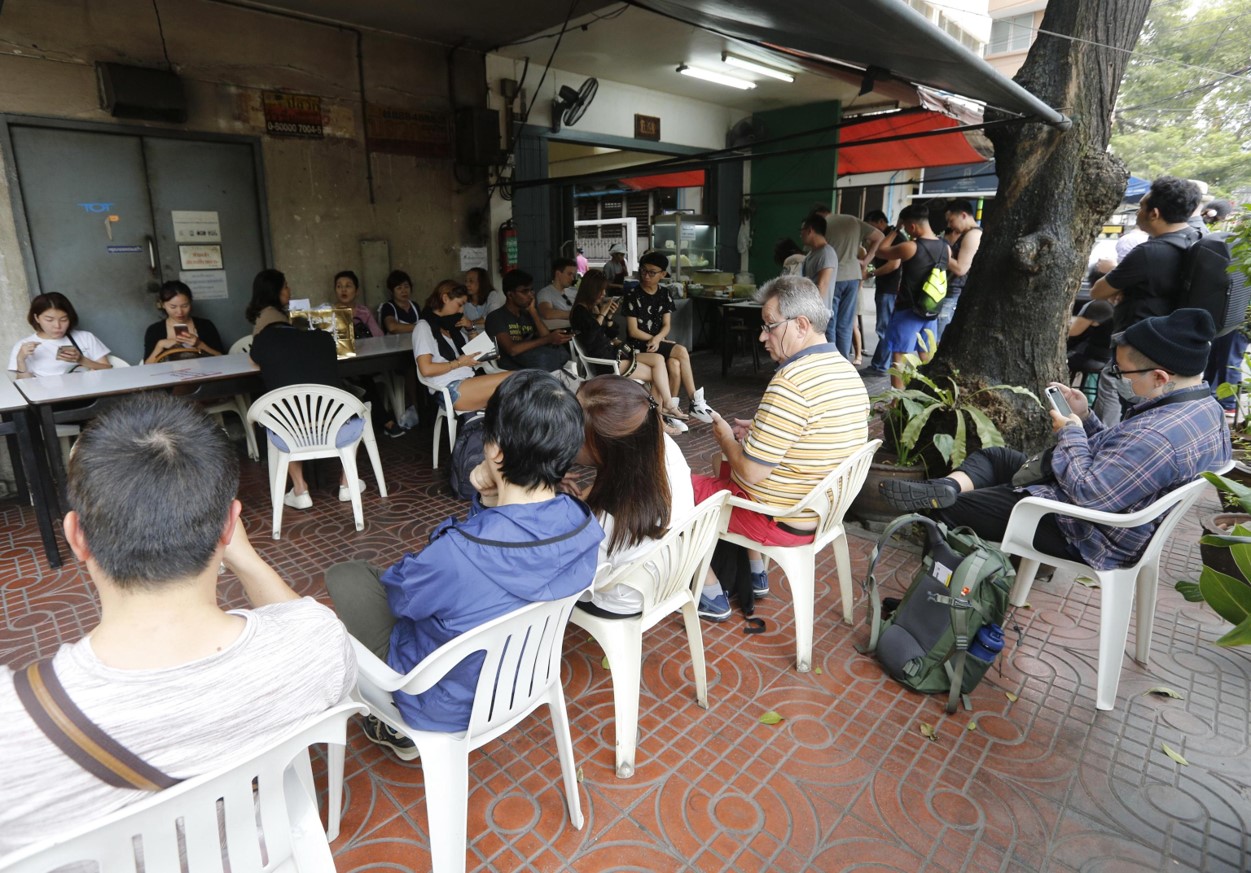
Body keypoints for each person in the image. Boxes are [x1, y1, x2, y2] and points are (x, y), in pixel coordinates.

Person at [0, 393, 356, 854]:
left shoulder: (14, 726)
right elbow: (297, 621)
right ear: (229, 528)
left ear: (77, 537)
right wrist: (242, 554)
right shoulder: (317, 645)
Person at [324, 370, 602, 757]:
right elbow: (506, 547)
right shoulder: (582, 526)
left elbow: (400, 599)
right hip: (523, 678)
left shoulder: (457, 553)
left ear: (496, 450)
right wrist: (488, 500)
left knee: (348, 576)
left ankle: (399, 731)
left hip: (440, 701)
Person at [881, 308, 1231, 570]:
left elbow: (1089, 495)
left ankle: (936, 613)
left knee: (950, 511)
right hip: (1108, 508)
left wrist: (1071, 432)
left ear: (1159, 376)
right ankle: (947, 486)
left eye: (1122, 373)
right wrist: (1086, 418)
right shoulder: (1203, 409)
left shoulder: (1160, 434)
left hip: (1087, 531)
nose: (1120, 379)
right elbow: (1125, 457)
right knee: (997, 457)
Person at [691, 275, 870, 620]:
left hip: (781, 520)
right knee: (720, 462)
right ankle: (755, 570)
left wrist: (727, 435)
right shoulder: (845, 370)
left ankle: (710, 592)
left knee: (668, 489)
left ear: (801, 325)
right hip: (820, 511)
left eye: (769, 326)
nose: (762, 336)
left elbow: (752, 473)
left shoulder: (791, 382)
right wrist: (758, 429)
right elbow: (814, 431)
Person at [571, 375, 695, 617]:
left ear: (603, 449)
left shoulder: (602, 519)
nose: (565, 433)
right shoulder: (660, 445)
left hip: (619, 600)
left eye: (575, 432)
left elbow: (573, 575)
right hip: (669, 576)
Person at [1090, 176, 1203, 423]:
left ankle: (1103, 441)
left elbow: (1098, 291)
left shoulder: (1148, 252)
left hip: (1138, 342)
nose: (1138, 212)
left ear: (1154, 213)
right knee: (1153, 403)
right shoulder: (1195, 239)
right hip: (1170, 339)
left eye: (1141, 207)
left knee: (1114, 388)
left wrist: (1118, 283)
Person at [250, 313, 369, 507]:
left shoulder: (263, 340)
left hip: (290, 431)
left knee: (281, 417)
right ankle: (347, 483)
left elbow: (253, 361)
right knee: (353, 408)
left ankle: (300, 489)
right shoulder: (323, 337)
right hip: (335, 425)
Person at [569, 270, 689, 433]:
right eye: (601, 290)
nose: (603, 294)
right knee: (658, 375)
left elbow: (610, 333)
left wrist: (609, 317)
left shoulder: (590, 310)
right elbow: (591, 339)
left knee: (658, 360)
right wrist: (602, 314)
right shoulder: (579, 312)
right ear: (591, 290)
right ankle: (660, 422)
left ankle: (663, 412)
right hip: (606, 362)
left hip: (613, 354)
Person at [624, 251, 713, 423]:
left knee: (675, 363)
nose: (646, 275)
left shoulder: (664, 294)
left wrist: (658, 339)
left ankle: (669, 411)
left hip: (656, 342)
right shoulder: (632, 295)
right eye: (643, 271)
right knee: (680, 350)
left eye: (652, 272)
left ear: (663, 274)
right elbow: (633, 331)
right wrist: (655, 339)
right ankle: (695, 401)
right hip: (639, 346)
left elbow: (666, 325)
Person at [875, 203, 951, 388]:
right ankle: (928, 395)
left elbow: (880, 251)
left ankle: (897, 402)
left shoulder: (911, 247)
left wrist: (895, 230)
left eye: (907, 227)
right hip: (930, 308)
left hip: (908, 310)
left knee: (899, 356)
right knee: (926, 355)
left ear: (912, 226)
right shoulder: (945, 247)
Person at [415, 280, 513, 412]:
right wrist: (458, 363)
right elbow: (426, 369)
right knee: (517, 381)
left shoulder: (453, 327)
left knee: (517, 392)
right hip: (449, 388)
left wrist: (470, 328)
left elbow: (484, 353)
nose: (461, 311)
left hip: (470, 379)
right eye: (459, 305)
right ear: (445, 298)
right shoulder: (423, 327)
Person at [820, 210, 884, 357]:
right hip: (853, 277)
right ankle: (843, 363)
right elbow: (880, 236)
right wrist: (866, 261)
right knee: (846, 325)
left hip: (833, 276)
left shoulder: (824, 224)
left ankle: (830, 361)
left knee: (830, 322)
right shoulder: (854, 220)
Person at [485, 269, 574, 372]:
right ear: (510, 295)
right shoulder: (496, 317)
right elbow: (512, 350)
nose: (530, 295)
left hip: (536, 364)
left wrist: (533, 312)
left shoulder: (528, 315)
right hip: (513, 370)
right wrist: (548, 339)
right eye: (524, 291)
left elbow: (547, 338)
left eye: (531, 290)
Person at [10, 292, 112, 378]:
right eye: (49, 320)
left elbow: (109, 369)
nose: (57, 326)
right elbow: (25, 387)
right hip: (50, 399)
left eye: (64, 319)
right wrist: (20, 360)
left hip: (88, 396)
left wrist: (82, 360)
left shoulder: (85, 337)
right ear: (37, 318)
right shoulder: (23, 346)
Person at [142, 281, 224, 363]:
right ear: (163, 305)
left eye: (185, 306)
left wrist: (199, 344)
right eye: (173, 307)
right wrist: (160, 345)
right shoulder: (154, 330)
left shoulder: (205, 325)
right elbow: (147, 366)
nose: (180, 312)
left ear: (190, 302)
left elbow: (221, 357)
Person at [864, 210, 902, 374]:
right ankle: (880, 364)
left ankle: (880, 366)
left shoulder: (895, 238)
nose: (868, 230)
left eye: (870, 225)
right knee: (885, 327)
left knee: (884, 328)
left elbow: (893, 265)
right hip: (886, 288)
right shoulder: (886, 237)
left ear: (880, 222)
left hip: (890, 289)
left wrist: (871, 273)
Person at [939, 199, 983, 340]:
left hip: (954, 295)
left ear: (963, 215)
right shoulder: (966, 234)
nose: (950, 225)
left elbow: (960, 268)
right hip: (951, 292)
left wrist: (939, 252)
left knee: (939, 340)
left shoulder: (973, 235)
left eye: (951, 221)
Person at [799, 212, 837, 343]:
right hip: (809, 310)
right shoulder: (812, 253)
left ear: (810, 231)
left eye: (802, 230)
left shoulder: (826, 253)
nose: (800, 234)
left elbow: (823, 285)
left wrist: (812, 313)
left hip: (818, 313)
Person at [334, 270, 383, 339]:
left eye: (348, 286)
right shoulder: (329, 312)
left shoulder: (363, 312)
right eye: (339, 286)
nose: (343, 290)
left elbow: (378, 336)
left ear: (356, 291)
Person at [246, 268, 291, 335]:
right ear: (275, 292)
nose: (289, 290)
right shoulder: (275, 318)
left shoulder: (266, 312)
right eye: (286, 287)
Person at [536, 257, 579, 324]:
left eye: (573, 275)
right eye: (569, 274)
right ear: (558, 274)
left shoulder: (575, 291)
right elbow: (547, 313)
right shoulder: (545, 293)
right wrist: (576, 315)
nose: (572, 278)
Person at [379, 270, 419, 334]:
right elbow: (392, 327)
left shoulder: (415, 306)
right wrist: (419, 327)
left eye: (406, 286)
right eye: (399, 288)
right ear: (391, 291)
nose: (404, 291)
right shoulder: (388, 307)